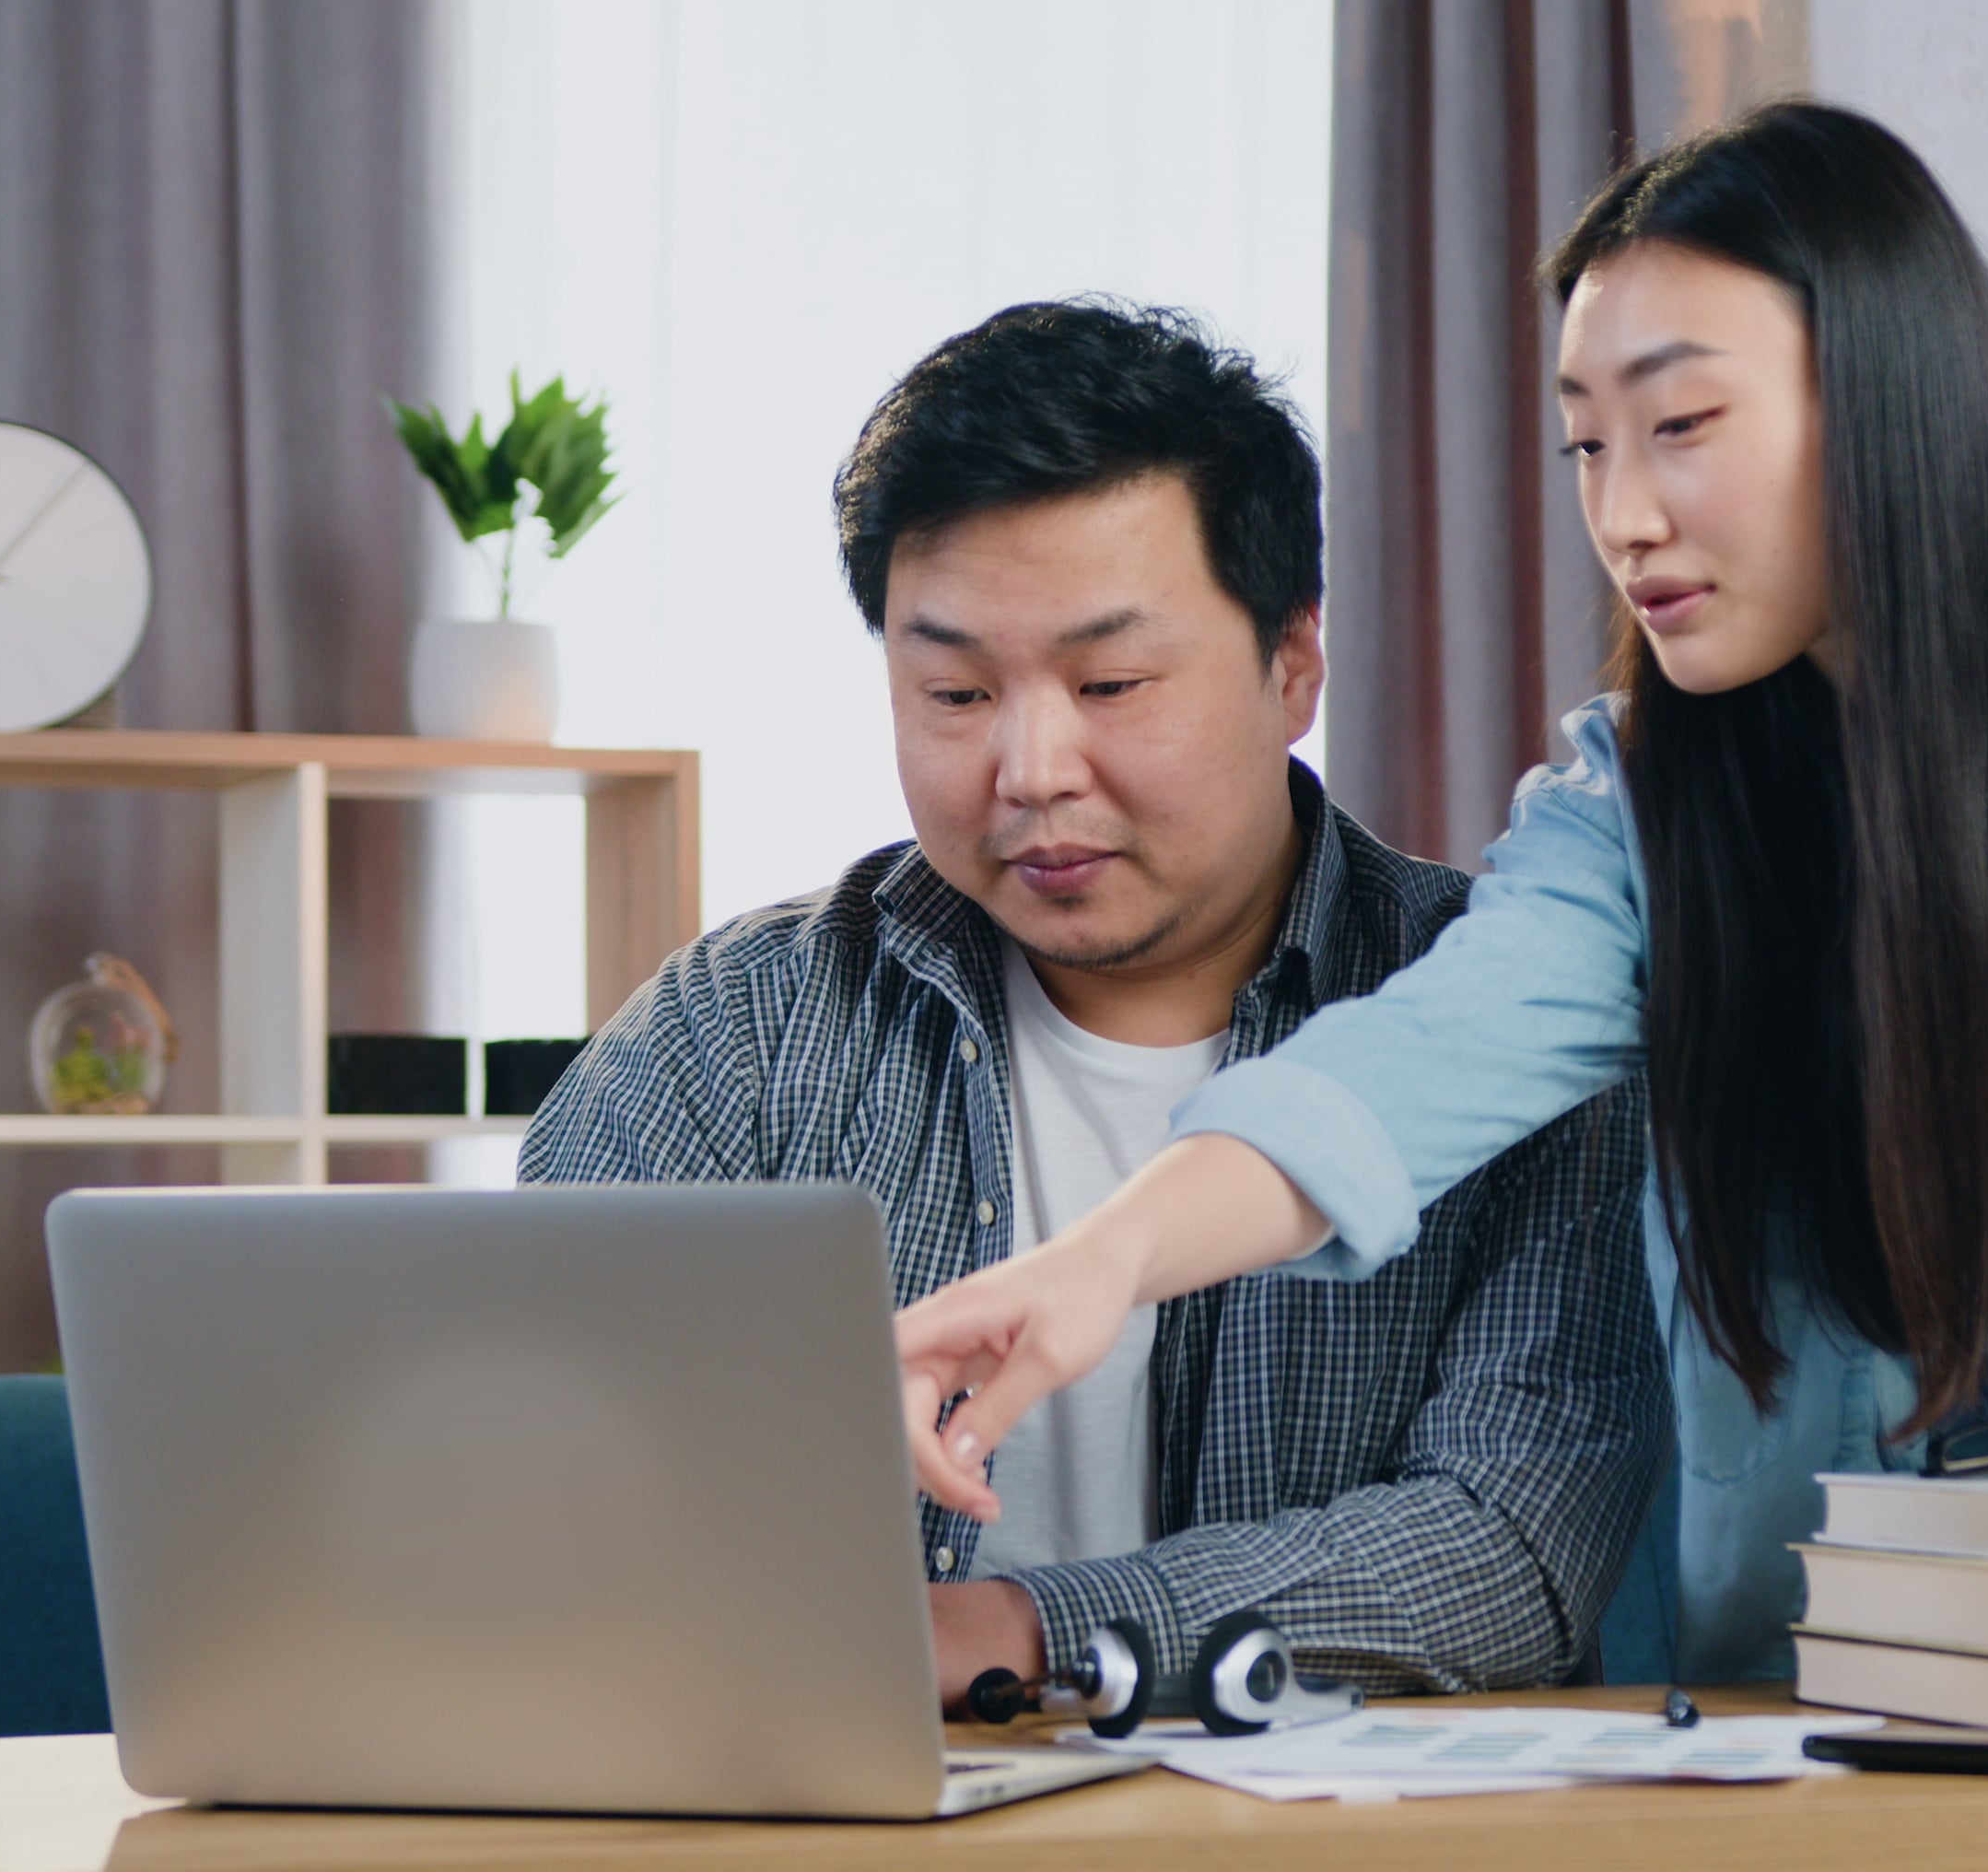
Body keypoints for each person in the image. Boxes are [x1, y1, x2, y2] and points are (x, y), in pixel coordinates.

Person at [890, 103, 1988, 1728]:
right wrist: (1099, 1262)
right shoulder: (1646, 791)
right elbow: (1425, 1055)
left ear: (1879, 386)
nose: (1623, 515)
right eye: (1586, 445)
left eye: (1682, 426)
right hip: (1943, 1543)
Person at [524, 299, 1658, 1702]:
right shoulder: (742, 1033)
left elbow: (1510, 1551)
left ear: (1292, 663)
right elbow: (536, 1463)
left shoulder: (1508, 1015)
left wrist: (1010, 1631)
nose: (1031, 767)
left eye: (1110, 682)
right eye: (953, 693)